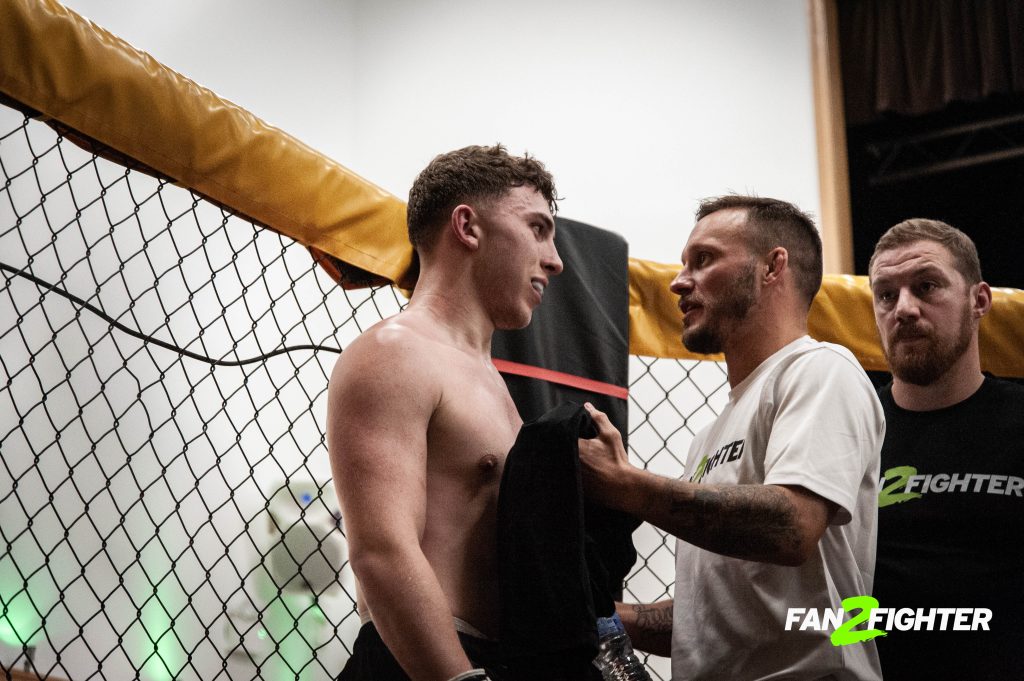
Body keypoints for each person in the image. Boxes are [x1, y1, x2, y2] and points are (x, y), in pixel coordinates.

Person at [578, 195, 884, 680]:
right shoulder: (708, 436)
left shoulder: (820, 369)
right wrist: (612, 617)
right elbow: (715, 618)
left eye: (704, 260)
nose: (679, 281)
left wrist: (626, 485)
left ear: (772, 266)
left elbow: (793, 527)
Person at [326, 144, 563, 681]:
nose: (555, 259)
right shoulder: (395, 352)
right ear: (468, 226)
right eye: (537, 228)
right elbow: (382, 552)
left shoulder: (489, 380)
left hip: (490, 660)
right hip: (421, 664)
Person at [868, 218, 1024, 678]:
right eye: (886, 294)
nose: (904, 309)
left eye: (927, 286)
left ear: (979, 301)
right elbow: (820, 605)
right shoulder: (845, 433)